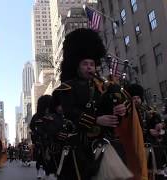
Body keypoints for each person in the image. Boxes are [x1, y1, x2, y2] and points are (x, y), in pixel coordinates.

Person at [54, 28, 146, 180]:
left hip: (103, 141)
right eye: (85, 64)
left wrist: (119, 110)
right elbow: (70, 111)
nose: (89, 67)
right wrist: (96, 120)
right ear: (77, 66)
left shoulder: (103, 86)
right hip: (80, 143)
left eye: (92, 63)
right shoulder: (68, 87)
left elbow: (110, 108)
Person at [127, 84, 167, 179]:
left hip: (153, 147)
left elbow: (158, 124)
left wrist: (160, 126)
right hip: (137, 149)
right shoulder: (128, 113)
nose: (136, 100)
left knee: (157, 172)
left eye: (138, 98)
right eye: (133, 98)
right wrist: (149, 132)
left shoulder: (148, 111)